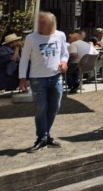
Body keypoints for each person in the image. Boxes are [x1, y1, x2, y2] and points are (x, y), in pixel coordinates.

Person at [18, 12, 70, 153]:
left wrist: (64, 62)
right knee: (41, 108)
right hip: (37, 79)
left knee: (54, 107)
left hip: (56, 77)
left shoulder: (60, 35)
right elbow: (24, 58)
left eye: (43, 24)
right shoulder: (31, 38)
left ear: (52, 25)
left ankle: (45, 137)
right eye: (39, 23)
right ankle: (42, 138)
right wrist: (22, 78)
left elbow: (65, 53)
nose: (40, 26)